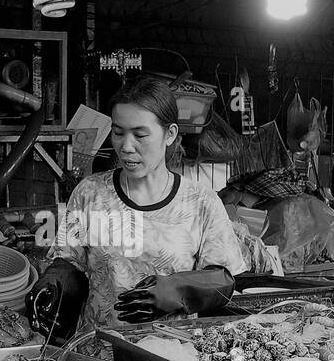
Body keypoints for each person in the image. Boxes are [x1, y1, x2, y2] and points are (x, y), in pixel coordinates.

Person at [27, 75, 246, 338]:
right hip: (97, 354)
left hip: (172, 356)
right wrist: (56, 282)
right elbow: (69, 261)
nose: (126, 146)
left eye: (140, 135)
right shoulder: (91, 193)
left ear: (170, 134)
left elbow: (223, 279)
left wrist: (178, 289)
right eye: (118, 133)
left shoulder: (200, 201)